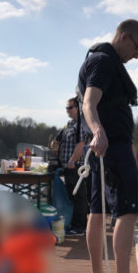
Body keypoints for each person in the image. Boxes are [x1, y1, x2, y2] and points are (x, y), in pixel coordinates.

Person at [77, 19, 138, 273]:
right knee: (127, 211)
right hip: (110, 147)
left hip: (108, 148)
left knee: (97, 211)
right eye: (137, 47)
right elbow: (89, 103)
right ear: (124, 37)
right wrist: (99, 132)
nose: (137, 55)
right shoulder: (103, 61)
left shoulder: (102, 61)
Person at [50, 97, 90, 234]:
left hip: (76, 166)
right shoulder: (69, 124)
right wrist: (56, 146)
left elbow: (81, 144)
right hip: (67, 166)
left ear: (78, 108)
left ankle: (80, 227)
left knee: (79, 196)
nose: (67, 110)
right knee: (71, 196)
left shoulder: (81, 124)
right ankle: (73, 224)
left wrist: (72, 161)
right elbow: (56, 141)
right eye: (66, 108)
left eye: (70, 107)